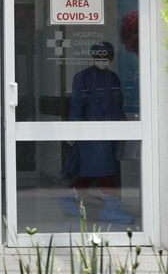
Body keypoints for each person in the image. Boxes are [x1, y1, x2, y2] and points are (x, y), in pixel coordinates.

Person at [60, 41, 134, 224]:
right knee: (105, 169)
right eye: (98, 56)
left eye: (105, 56)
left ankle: (70, 199)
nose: (102, 59)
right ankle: (110, 208)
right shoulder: (83, 78)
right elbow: (76, 106)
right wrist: (72, 130)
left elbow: (119, 104)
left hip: (111, 132)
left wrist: (123, 128)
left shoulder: (114, 78)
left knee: (92, 170)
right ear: (93, 57)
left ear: (111, 57)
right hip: (91, 133)